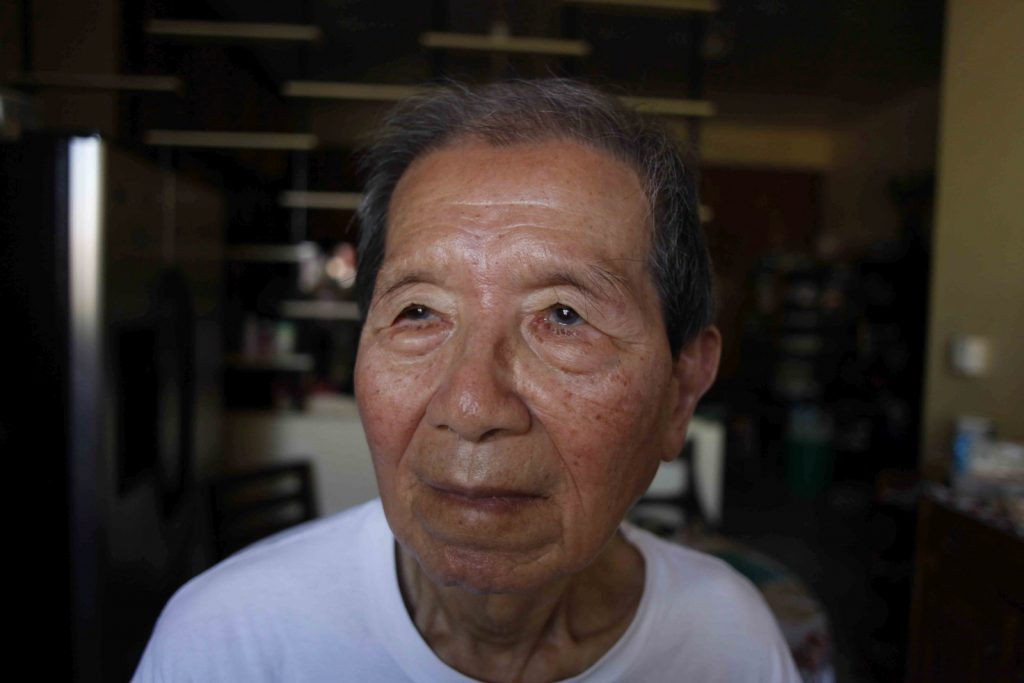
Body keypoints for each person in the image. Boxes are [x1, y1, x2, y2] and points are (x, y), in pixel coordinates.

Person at [133, 79, 799, 682]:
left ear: (680, 392)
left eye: (564, 316)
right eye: (418, 312)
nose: (473, 405)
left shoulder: (728, 641)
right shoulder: (226, 644)